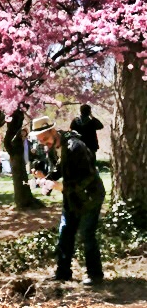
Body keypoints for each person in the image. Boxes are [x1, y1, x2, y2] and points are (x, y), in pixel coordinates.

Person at [31, 115, 106, 286]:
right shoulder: (55, 148)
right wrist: (46, 180)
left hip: (90, 195)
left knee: (87, 234)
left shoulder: (75, 146)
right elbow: (60, 168)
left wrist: (61, 187)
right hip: (72, 196)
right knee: (65, 232)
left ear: (53, 131)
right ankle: (63, 273)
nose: (43, 143)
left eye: (45, 138)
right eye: (40, 140)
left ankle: (95, 275)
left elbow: (87, 177)